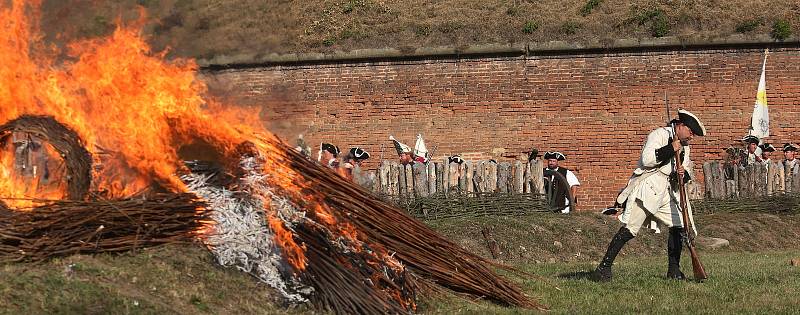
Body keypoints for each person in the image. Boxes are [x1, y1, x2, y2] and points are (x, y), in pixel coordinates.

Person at [593, 109, 706, 282]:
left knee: (679, 225)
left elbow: (682, 170)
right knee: (630, 229)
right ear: (681, 126)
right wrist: (670, 148)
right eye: (690, 132)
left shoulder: (685, 146)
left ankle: (674, 271)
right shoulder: (659, 135)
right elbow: (647, 160)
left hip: (667, 191)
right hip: (648, 188)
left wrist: (683, 174)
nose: (691, 137)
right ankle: (604, 268)